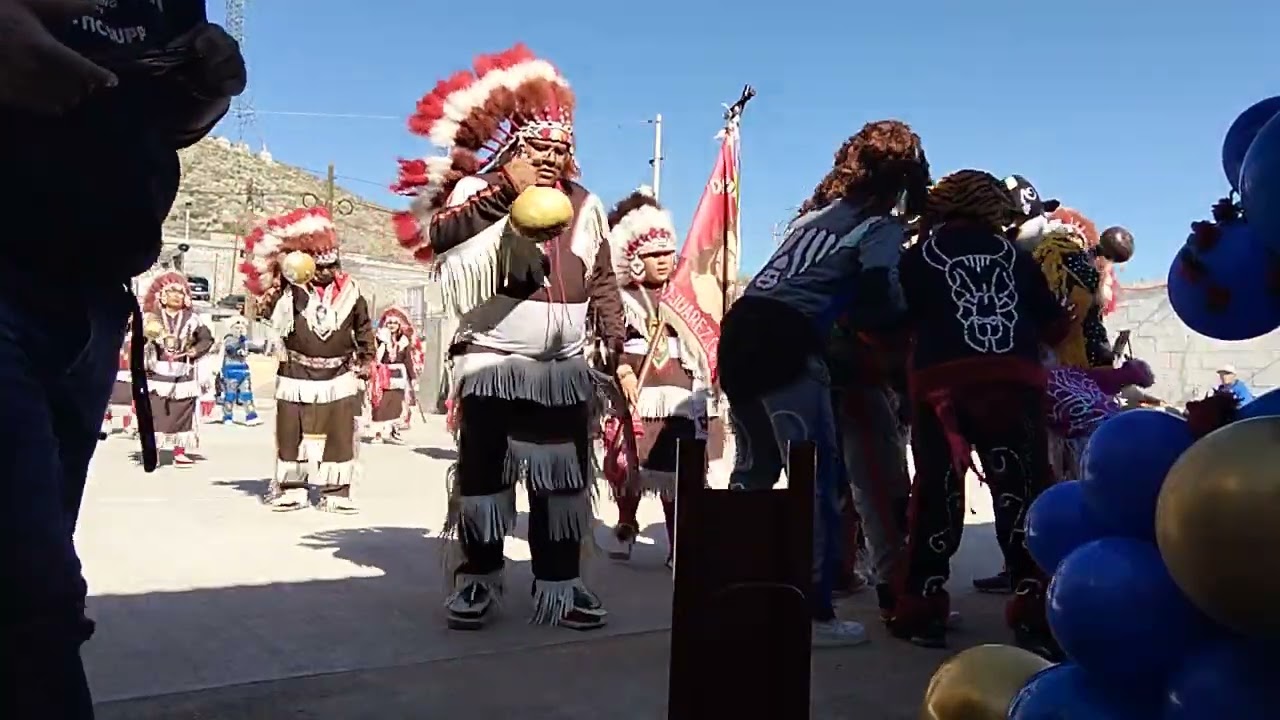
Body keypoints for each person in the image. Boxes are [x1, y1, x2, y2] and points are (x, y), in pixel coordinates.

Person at [1, 0, 245, 714]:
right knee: (32, 594)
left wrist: (206, 91)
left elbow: (156, 120)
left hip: (92, 298)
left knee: (32, 579)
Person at [392, 43, 631, 631]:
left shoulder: (586, 205)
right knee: (485, 478)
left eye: (560, 149)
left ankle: (560, 584)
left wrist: (617, 346)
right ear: (515, 147)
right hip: (493, 364)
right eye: (538, 148)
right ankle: (478, 579)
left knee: (562, 483)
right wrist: (505, 191)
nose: (550, 158)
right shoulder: (479, 191)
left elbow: (602, 280)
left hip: (564, 371)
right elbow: (441, 236)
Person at [717, 120, 931, 647]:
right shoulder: (879, 224)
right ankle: (812, 615)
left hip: (738, 331)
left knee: (753, 472)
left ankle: (730, 593)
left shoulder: (812, 218)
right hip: (787, 341)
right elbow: (880, 293)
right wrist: (910, 315)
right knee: (813, 480)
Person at [888, 169, 1070, 657]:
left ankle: (923, 607)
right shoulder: (1016, 257)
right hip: (1013, 384)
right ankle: (1036, 608)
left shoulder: (918, 257)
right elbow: (1054, 324)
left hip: (941, 389)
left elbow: (891, 321)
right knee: (1024, 491)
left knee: (937, 492)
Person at [602, 188, 713, 568]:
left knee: (677, 474)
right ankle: (626, 524)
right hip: (634, 394)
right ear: (635, 258)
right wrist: (621, 369)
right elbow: (607, 340)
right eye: (654, 255)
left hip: (680, 396)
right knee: (627, 466)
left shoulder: (687, 294)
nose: (664, 260)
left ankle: (679, 543)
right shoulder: (618, 298)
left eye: (668, 253)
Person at [239, 207, 376, 514]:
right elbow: (264, 312)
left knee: (340, 433)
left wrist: (367, 360)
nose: (326, 272)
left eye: (332, 266)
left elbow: (364, 328)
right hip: (295, 373)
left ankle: (336, 492)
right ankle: (292, 489)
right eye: (320, 267)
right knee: (292, 432)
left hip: (339, 374)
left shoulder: (352, 293)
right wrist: (278, 275)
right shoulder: (289, 290)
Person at [141, 272, 215, 466]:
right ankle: (153, 451)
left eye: (180, 293)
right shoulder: (152, 318)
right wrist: (149, 340)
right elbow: (138, 340)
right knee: (156, 414)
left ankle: (179, 451)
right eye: (172, 292)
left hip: (184, 373)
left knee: (182, 413)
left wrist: (195, 350)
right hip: (156, 372)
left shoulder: (194, 320)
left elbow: (207, 339)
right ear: (162, 297)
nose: (176, 296)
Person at [368, 307, 418, 443]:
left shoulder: (404, 341)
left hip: (399, 376)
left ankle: (393, 432)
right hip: (383, 375)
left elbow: (408, 360)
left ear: (399, 325)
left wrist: (412, 377)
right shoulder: (380, 338)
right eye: (389, 323)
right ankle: (378, 434)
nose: (392, 326)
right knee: (380, 405)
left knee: (396, 405)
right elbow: (374, 356)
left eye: (395, 323)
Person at [219, 315, 264, 426]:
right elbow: (230, 350)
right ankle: (227, 416)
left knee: (246, 394)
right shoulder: (229, 339)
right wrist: (238, 349)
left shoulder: (244, 341)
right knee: (230, 395)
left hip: (243, 371)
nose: (239, 330)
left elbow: (248, 350)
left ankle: (251, 416)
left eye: (241, 327)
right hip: (231, 371)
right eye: (237, 327)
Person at [102, 329, 136, 437]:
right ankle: (105, 423)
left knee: (127, 398)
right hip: (112, 369)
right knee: (109, 398)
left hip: (127, 371)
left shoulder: (131, 340)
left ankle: (127, 425)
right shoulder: (109, 337)